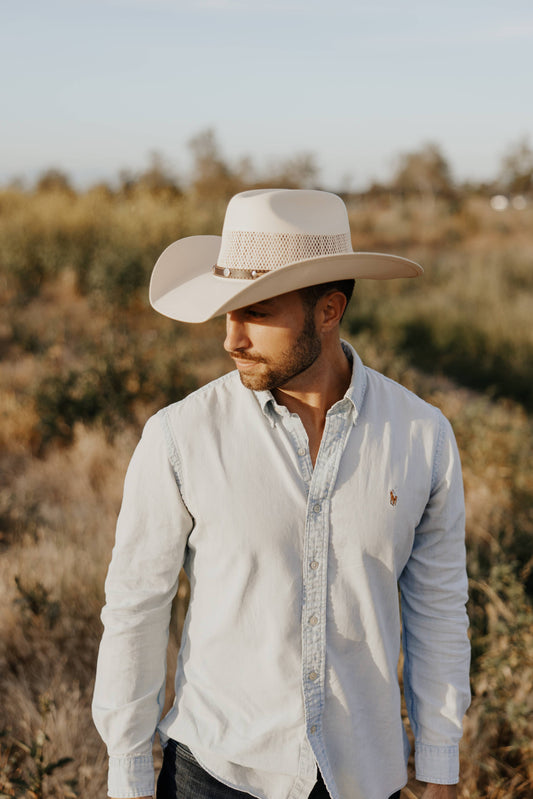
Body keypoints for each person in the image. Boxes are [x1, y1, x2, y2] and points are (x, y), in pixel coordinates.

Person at [92, 189, 470, 799]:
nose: (231, 339)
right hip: (215, 773)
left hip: (364, 776)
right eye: (227, 312)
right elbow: (136, 608)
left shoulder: (421, 437)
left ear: (328, 311)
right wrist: (128, 774)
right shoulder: (180, 436)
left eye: (257, 312)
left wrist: (440, 761)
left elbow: (439, 606)